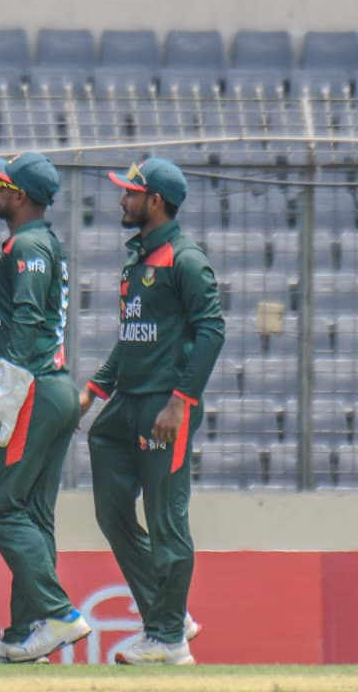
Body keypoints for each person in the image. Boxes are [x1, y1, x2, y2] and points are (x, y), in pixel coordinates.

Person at [81, 158, 224, 666]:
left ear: (155, 201)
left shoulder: (186, 260)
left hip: (165, 405)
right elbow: (133, 338)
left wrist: (180, 402)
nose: (122, 199)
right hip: (127, 404)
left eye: (131, 193)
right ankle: (171, 610)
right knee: (110, 510)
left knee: (166, 520)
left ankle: (166, 639)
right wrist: (97, 388)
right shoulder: (139, 259)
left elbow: (212, 330)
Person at [0, 152, 89, 663]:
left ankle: (57, 613)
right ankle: (22, 634)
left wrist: (7, 381)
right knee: (32, 516)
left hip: (33, 388)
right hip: (50, 386)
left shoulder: (28, 245)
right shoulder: (40, 242)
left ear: (20, 195)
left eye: (0, 183)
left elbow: (32, 317)